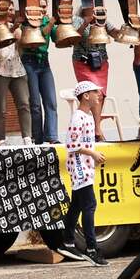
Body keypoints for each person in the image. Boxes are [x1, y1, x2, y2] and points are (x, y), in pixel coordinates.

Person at [55, 81, 108, 267]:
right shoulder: (77, 117)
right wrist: (92, 153)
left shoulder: (87, 117)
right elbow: (70, 144)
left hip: (85, 165)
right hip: (79, 166)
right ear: (86, 96)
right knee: (89, 204)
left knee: (77, 205)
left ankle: (67, 241)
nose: (98, 95)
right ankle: (91, 249)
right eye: (95, 92)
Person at [0, 2, 33, 145]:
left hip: (17, 70)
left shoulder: (17, 28)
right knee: (0, 107)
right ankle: (0, 139)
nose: (12, 12)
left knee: (24, 103)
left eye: (13, 9)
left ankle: (27, 138)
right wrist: (13, 28)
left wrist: (19, 28)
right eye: (9, 9)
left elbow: (21, 44)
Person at [72, 0, 117, 141]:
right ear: (84, 8)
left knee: (101, 95)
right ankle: (97, 131)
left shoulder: (103, 19)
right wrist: (86, 22)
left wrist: (128, 28)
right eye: (91, 6)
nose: (94, 9)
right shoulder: (77, 20)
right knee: (93, 92)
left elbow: (115, 33)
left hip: (101, 63)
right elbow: (73, 37)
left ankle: (94, 128)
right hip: (83, 62)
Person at [22, 0, 59, 145]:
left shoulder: (47, 21)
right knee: (35, 104)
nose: (43, 9)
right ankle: (37, 138)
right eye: (41, 6)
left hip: (44, 63)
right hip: (29, 62)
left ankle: (52, 137)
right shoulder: (28, 21)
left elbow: (57, 39)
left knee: (51, 101)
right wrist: (50, 24)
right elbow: (41, 35)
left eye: (45, 6)